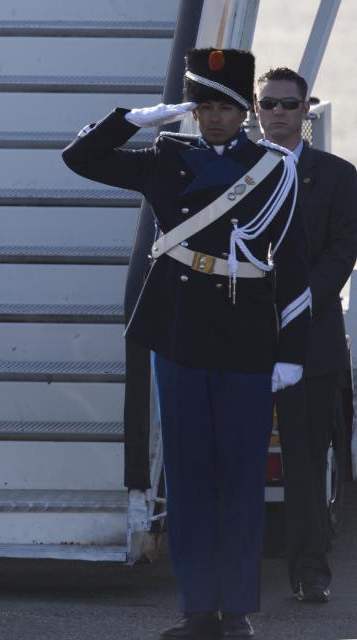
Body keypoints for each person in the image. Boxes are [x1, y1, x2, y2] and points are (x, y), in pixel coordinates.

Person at [63, 49, 310, 639]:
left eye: (224, 106)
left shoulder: (274, 167)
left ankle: (238, 610)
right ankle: (199, 607)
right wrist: (135, 118)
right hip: (177, 332)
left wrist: (292, 350)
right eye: (203, 107)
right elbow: (81, 157)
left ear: (243, 110)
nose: (213, 118)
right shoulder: (165, 158)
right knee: (190, 474)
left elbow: (294, 263)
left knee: (240, 478)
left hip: (246, 334)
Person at [258, 67, 357, 604]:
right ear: (256, 110)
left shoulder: (340, 177)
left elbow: (342, 253)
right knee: (228, 461)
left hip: (311, 341)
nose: (278, 113)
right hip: (236, 341)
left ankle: (309, 571)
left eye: (289, 105)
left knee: (304, 463)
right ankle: (224, 572)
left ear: (305, 111)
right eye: (269, 104)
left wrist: (290, 309)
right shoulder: (233, 173)